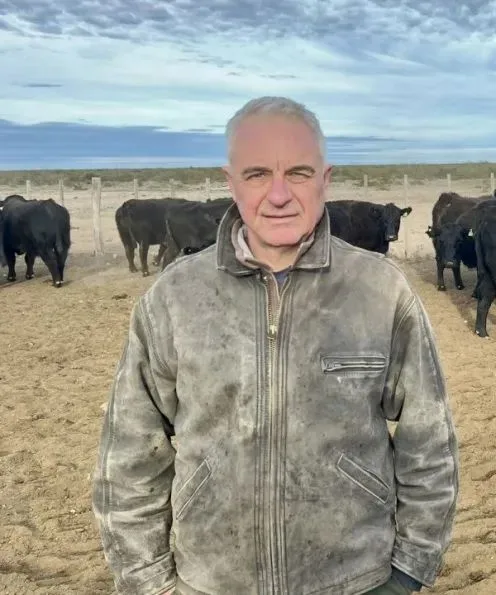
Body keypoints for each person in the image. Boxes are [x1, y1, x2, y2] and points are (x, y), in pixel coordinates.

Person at [92, 96, 460, 595]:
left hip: (355, 580)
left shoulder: (380, 290)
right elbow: (130, 455)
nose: (279, 194)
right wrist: (147, 582)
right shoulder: (174, 297)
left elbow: (429, 440)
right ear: (231, 183)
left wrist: (409, 570)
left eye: (299, 173)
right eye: (258, 174)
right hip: (212, 582)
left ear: (325, 179)